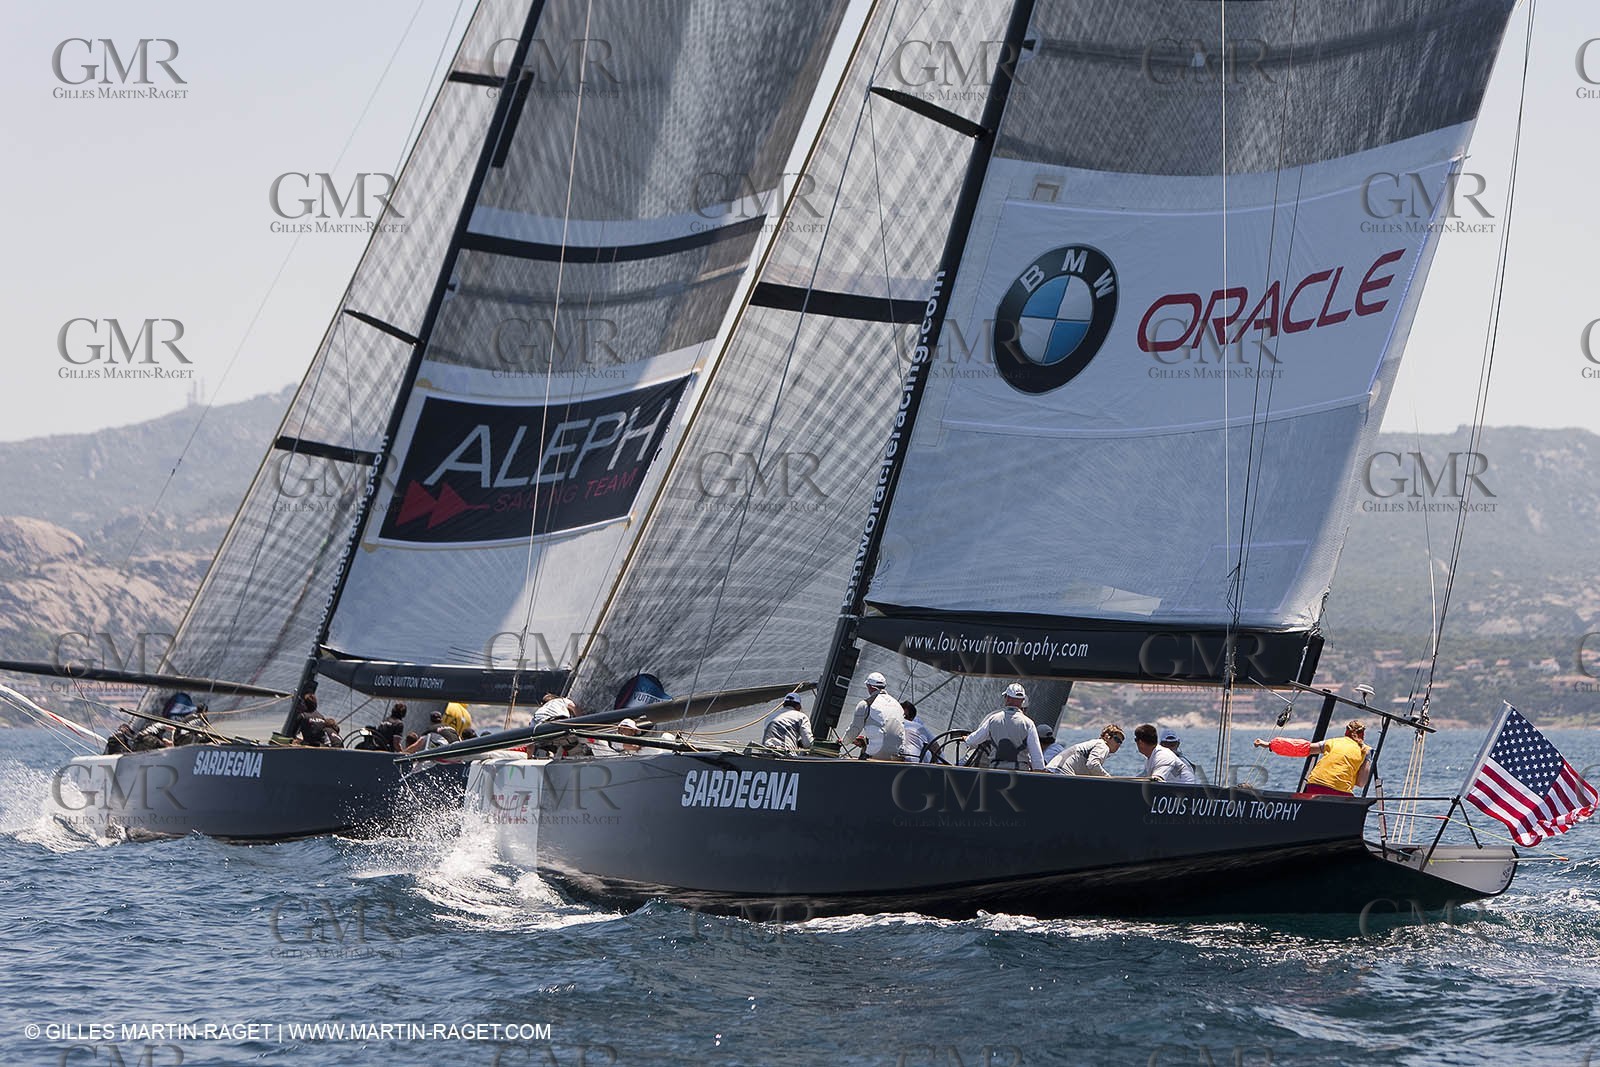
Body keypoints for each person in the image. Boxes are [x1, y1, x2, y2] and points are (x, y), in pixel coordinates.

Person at [1254, 719, 1373, 796]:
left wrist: (1269, 744)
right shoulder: (1365, 751)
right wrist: (1368, 759)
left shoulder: (1332, 742)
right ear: (1363, 734)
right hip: (1339, 793)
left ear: (1346, 731)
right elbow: (1361, 783)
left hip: (1314, 786)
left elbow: (1302, 748)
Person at [965, 683, 1046, 771]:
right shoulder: (1028, 723)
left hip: (996, 771)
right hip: (1020, 773)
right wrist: (1039, 771)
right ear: (1022, 700)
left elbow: (972, 741)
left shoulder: (993, 719)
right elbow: (1036, 756)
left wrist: (966, 739)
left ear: (1007, 698)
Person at [844, 671, 905, 761]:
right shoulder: (898, 705)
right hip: (897, 755)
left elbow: (855, 728)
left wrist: (844, 741)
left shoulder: (865, 704)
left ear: (870, 687)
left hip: (875, 755)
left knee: (866, 751)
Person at [1047, 724, 1123, 776]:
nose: (1118, 744)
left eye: (1120, 742)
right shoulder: (1102, 745)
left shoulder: (1094, 743)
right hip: (1060, 774)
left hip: (1050, 771)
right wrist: (1108, 778)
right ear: (1107, 737)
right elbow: (1092, 765)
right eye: (1116, 739)